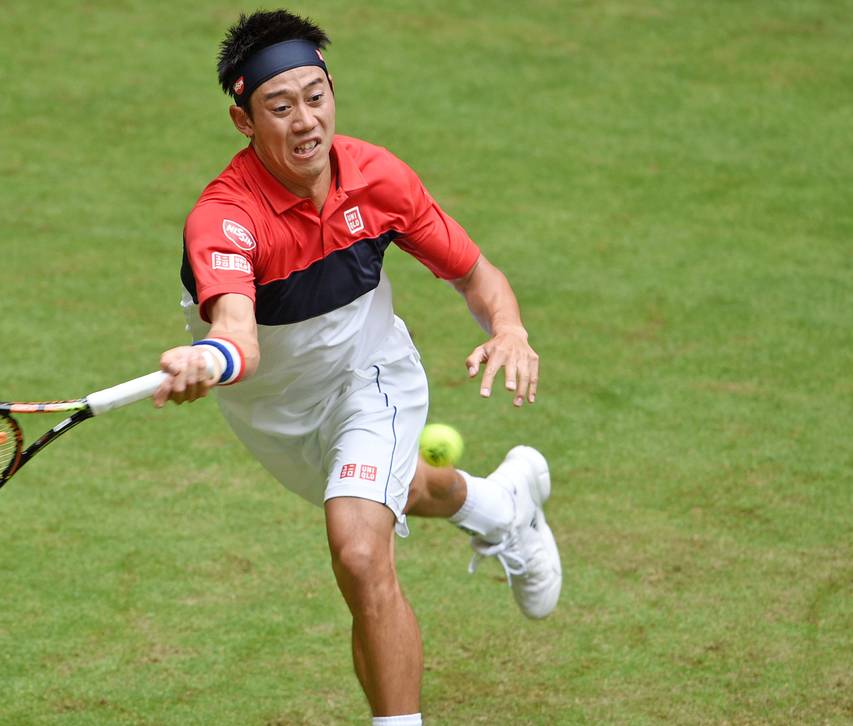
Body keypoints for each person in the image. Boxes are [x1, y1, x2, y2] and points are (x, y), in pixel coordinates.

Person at [151, 10, 561, 725]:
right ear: (244, 121)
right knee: (392, 490)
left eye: (316, 97)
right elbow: (239, 335)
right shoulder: (223, 219)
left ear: (332, 90)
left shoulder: (378, 179)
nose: (306, 120)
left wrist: (510, 329)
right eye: (281, 107)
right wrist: (208, 359)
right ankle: (503, 506)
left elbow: (475, 274)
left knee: (360, 550)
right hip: (274, 410)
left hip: (371, 376)